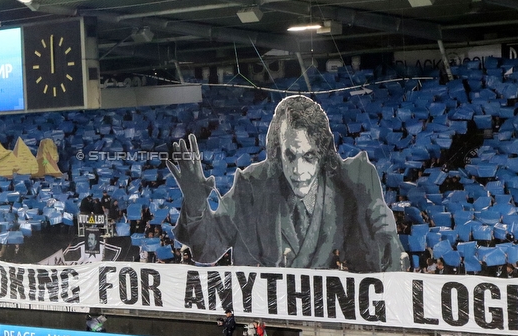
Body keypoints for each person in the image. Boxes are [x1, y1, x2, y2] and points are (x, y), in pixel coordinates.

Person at [168, 95, 402, 271]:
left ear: (322, 154)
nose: (299, 171)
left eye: (308, 156)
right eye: (290, 156)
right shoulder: (250, 187)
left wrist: (384, 237)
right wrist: (197, 207)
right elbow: (207, 250)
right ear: (277, 152)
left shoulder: (351, 187)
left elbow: (375, 266)